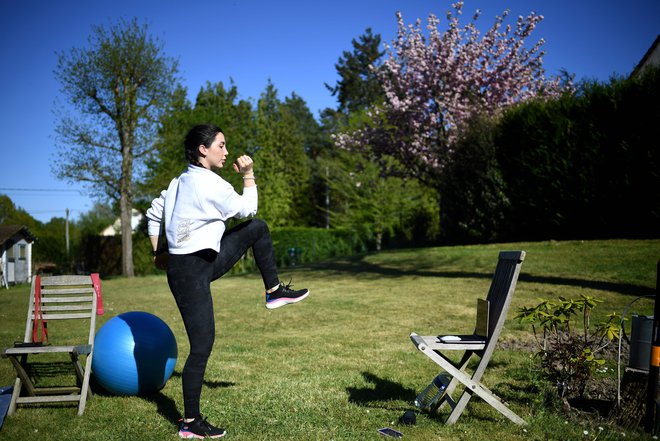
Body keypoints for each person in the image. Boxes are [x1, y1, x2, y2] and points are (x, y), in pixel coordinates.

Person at [146, 124, 309, 439]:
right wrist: (248, 174)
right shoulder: (209, 183)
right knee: (202, 346)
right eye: (221, 145)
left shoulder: (178, 181)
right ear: (203, 149)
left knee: (257, 229)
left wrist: (157, 252)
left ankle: (274, 291)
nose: (226, 151)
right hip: (190, 274)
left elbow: (154, 213)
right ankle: (190, 424)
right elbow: (248, 206)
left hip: (201, 262)